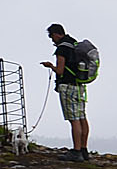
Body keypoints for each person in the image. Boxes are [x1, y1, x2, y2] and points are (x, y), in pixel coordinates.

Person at [41, 23, 100, 161]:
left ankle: (76, 152)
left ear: (56, 34)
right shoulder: (74, 43)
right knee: (82, 117)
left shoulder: (62, 49)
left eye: (51, 36)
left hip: (68, 87)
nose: (52, 39)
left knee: (74, 120)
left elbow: (60, 70)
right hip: (79, 86)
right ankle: (84, 149)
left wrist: (50, 66)